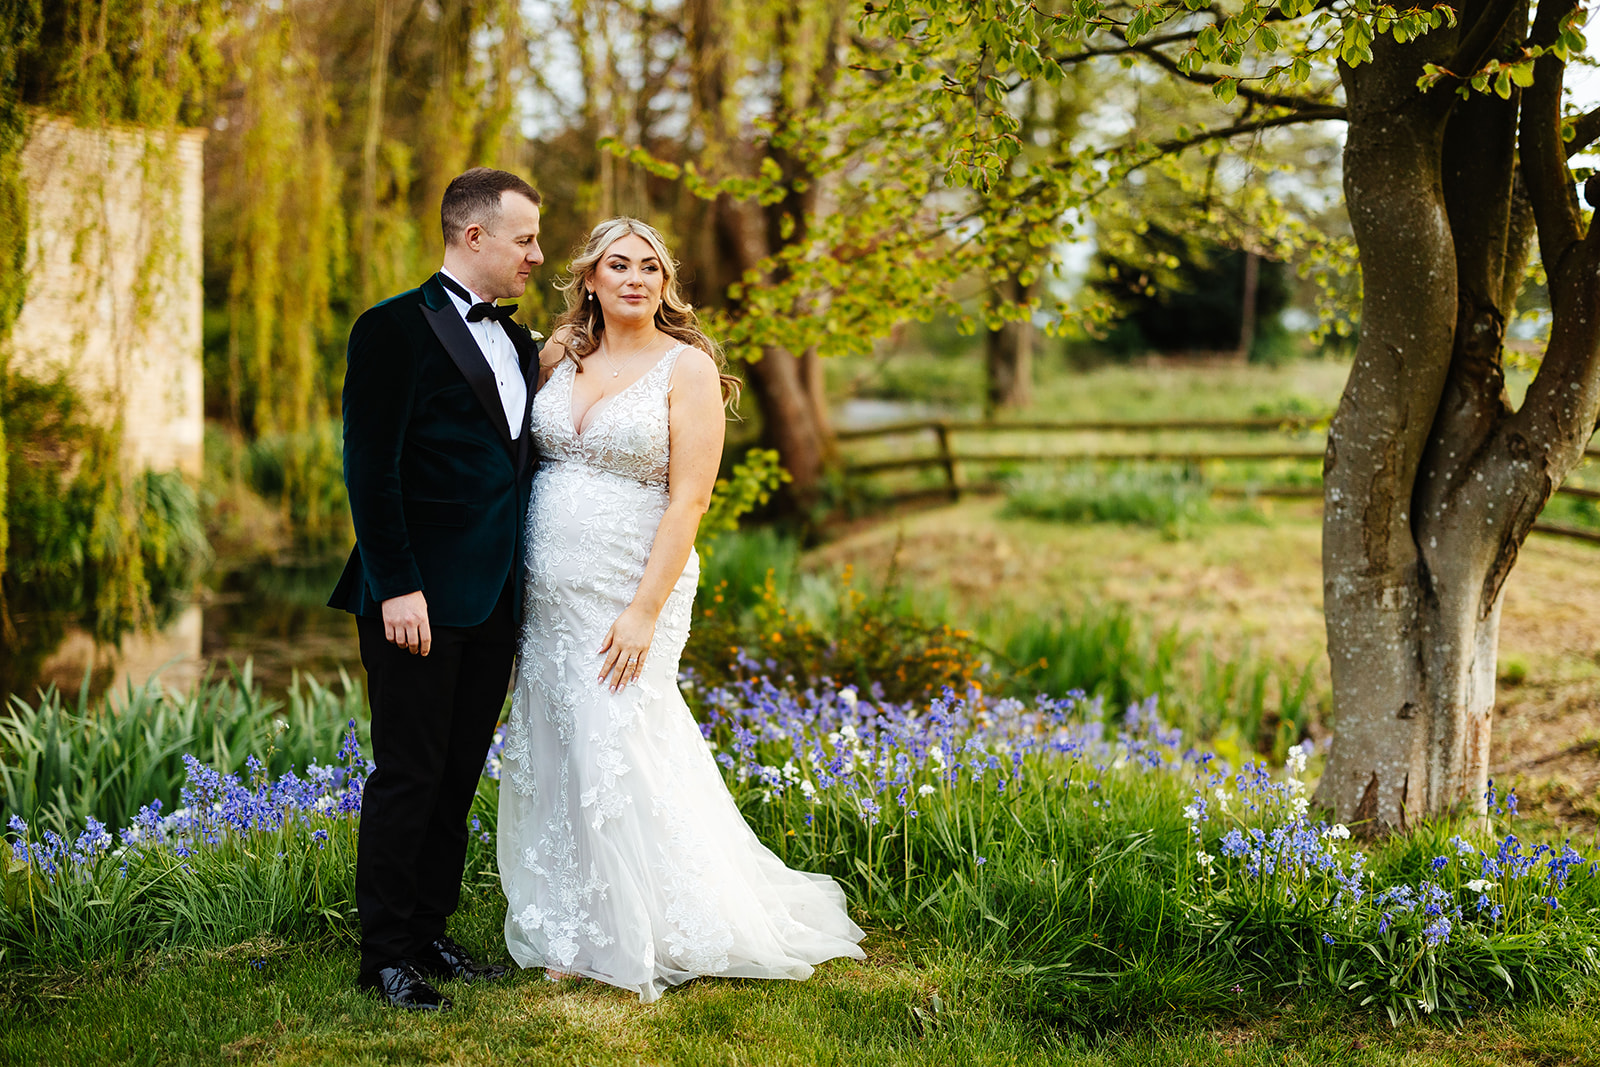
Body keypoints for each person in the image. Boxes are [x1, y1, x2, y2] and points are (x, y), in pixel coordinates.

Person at [496, 217, 866, 1003]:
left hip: (636, 585)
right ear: (589, 278)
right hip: (550, 593)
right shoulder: (559, 356)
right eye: (618, 265)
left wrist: (642, 611)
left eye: (651, 268)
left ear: (665, 284)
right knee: (560, 738)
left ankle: (653, 921)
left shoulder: (686, 367)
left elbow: (690, 497)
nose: (636, 278)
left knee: (621, 736)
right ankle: (571, 920)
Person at [328, 167, 544, 1011]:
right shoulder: (392, 328)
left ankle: (429, 932)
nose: (536, 254)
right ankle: (383, 954)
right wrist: (398, 586)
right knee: (408, 774)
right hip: (413, 598)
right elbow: (369, 467)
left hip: (495, 598)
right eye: (525, 238)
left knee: (457, 774)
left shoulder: (521, 344)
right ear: (474, 235)